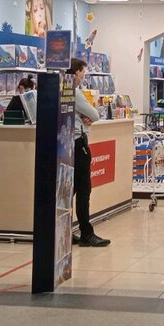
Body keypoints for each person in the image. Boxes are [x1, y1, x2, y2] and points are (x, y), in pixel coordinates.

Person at [67, 58, 110, 247]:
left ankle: (63, 230)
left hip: (67, 144)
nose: (83, 76)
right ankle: (87, 233)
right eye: (83, 72)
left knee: (69, 189)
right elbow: (94, 114)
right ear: (76, 72)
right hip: (79, 145)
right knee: (84, 189)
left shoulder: (60, 90)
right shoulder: (74, 92)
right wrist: (87, 116)